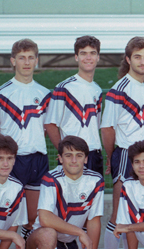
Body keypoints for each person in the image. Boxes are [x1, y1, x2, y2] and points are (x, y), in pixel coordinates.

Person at [0, 39, 52, 249]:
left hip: (37, 159)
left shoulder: (45, 94)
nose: (26, 62)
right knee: (6, 216)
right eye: (22, 57)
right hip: (12, 162)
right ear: (13, 61)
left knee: (33, 219)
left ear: (37, 60)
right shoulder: (1, 94)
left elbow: (46, 129)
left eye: (31, 57)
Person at [24, 136, 105, 249]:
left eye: (79, 155)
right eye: (68, 155)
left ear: (86, 158)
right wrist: (80, 232)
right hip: (40, 245)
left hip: (68, 247)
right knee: (48, 233)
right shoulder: (51, 178)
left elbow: (94, 222)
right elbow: (45, 219)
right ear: (60, 158)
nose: (74, 160)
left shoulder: (95, 180)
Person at [101, 36, 144, 249]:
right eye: (137, 57)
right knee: (118, 214)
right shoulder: (118, 90)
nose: (142, 61)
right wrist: (112, 157)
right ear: (128, 59)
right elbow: (108, 128)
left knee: (135, 215)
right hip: (125, 155)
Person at [45, 35, 105, 175]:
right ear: (76, 57)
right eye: (83, 53)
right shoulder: (64, 88)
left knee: (94, 196)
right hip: (73, 155)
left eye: (92, 53)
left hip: (94, 153)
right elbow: (50, 124)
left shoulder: (97, 89)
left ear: (98, 57)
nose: (88, 58)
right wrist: (64, 151)